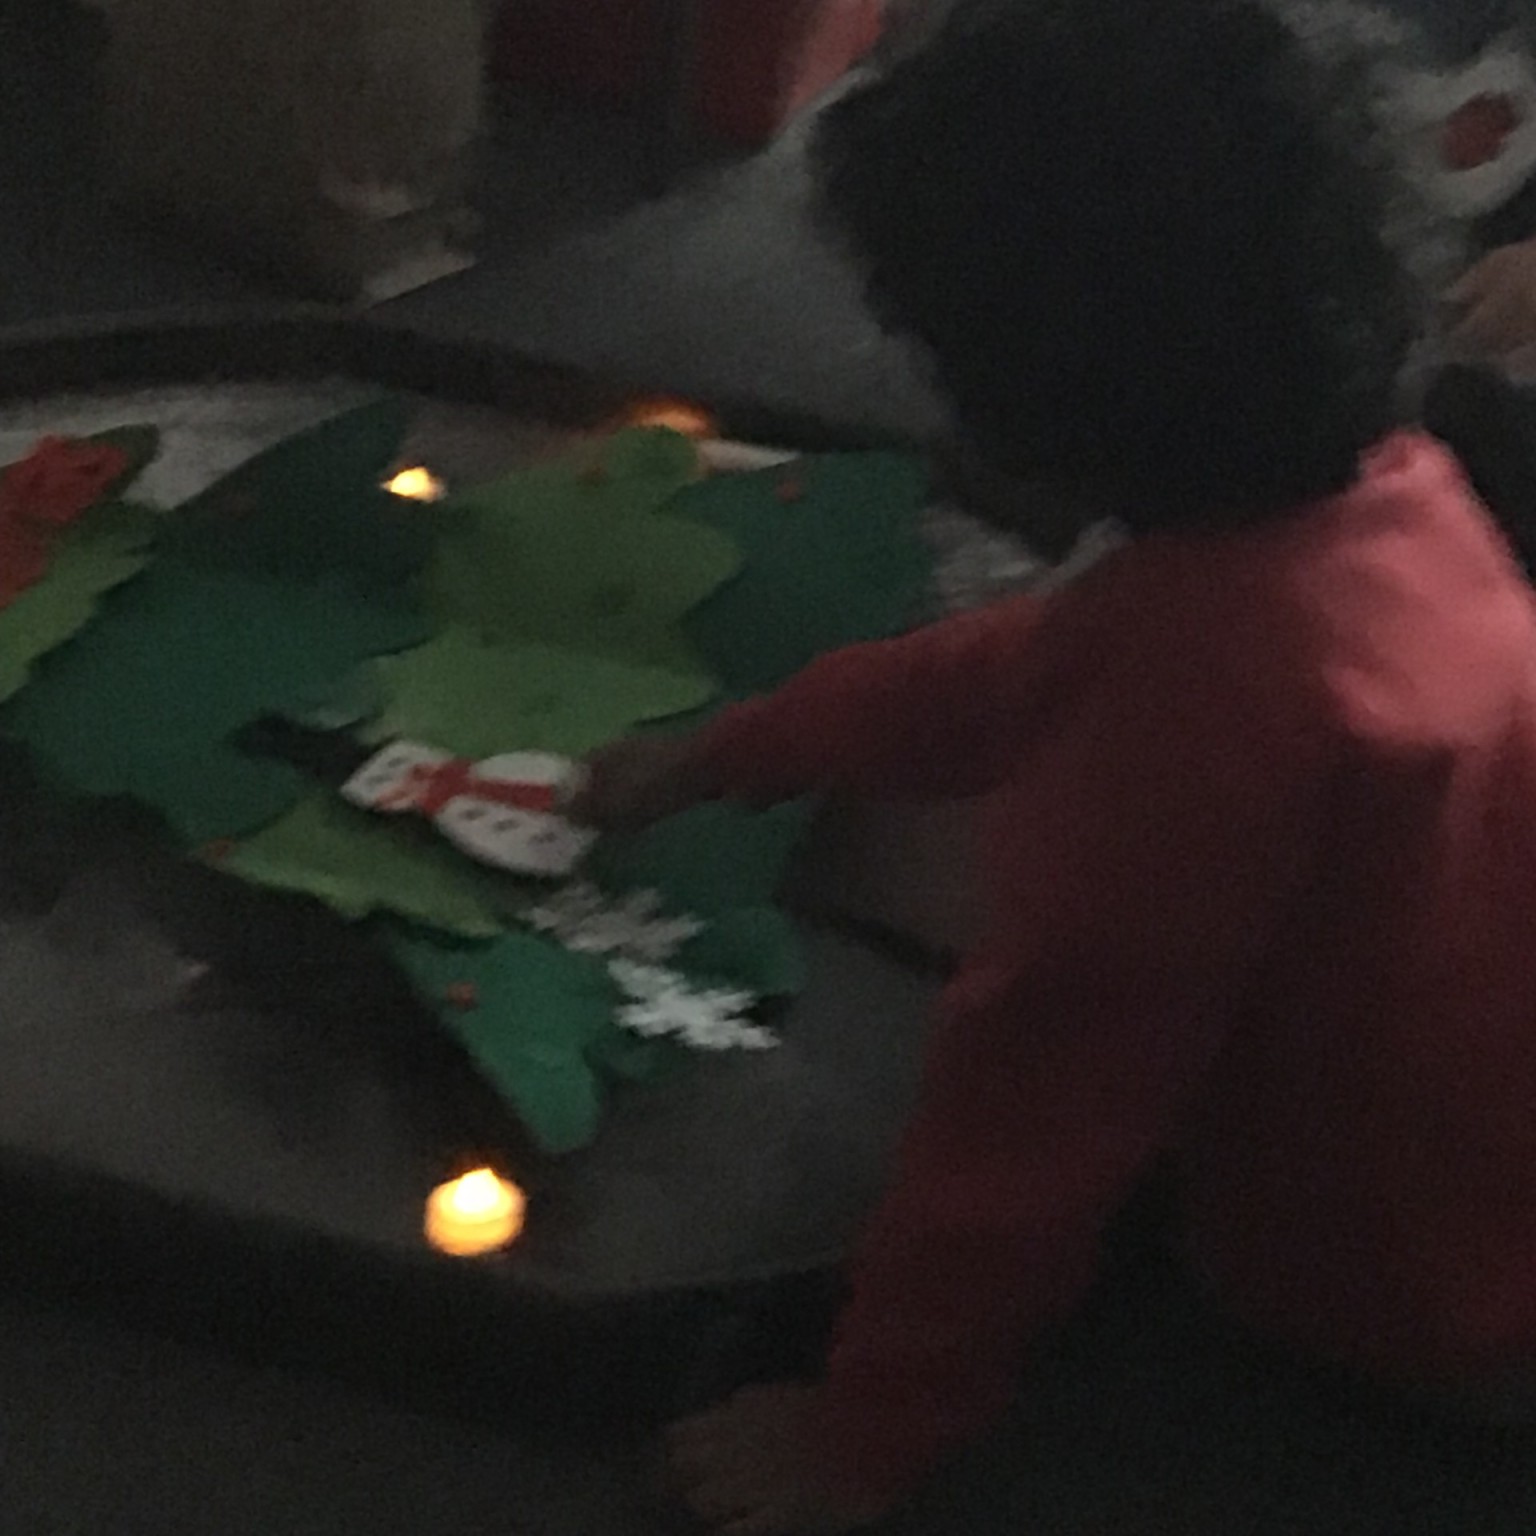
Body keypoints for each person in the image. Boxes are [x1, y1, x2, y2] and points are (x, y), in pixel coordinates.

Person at [572, 1, 1536, 1531]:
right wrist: (732, 752)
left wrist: (866, 1430)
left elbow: (1033, 1114)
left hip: (1429, 1288)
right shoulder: (1391, 496)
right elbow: (1041, 660)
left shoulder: (1205, 700)